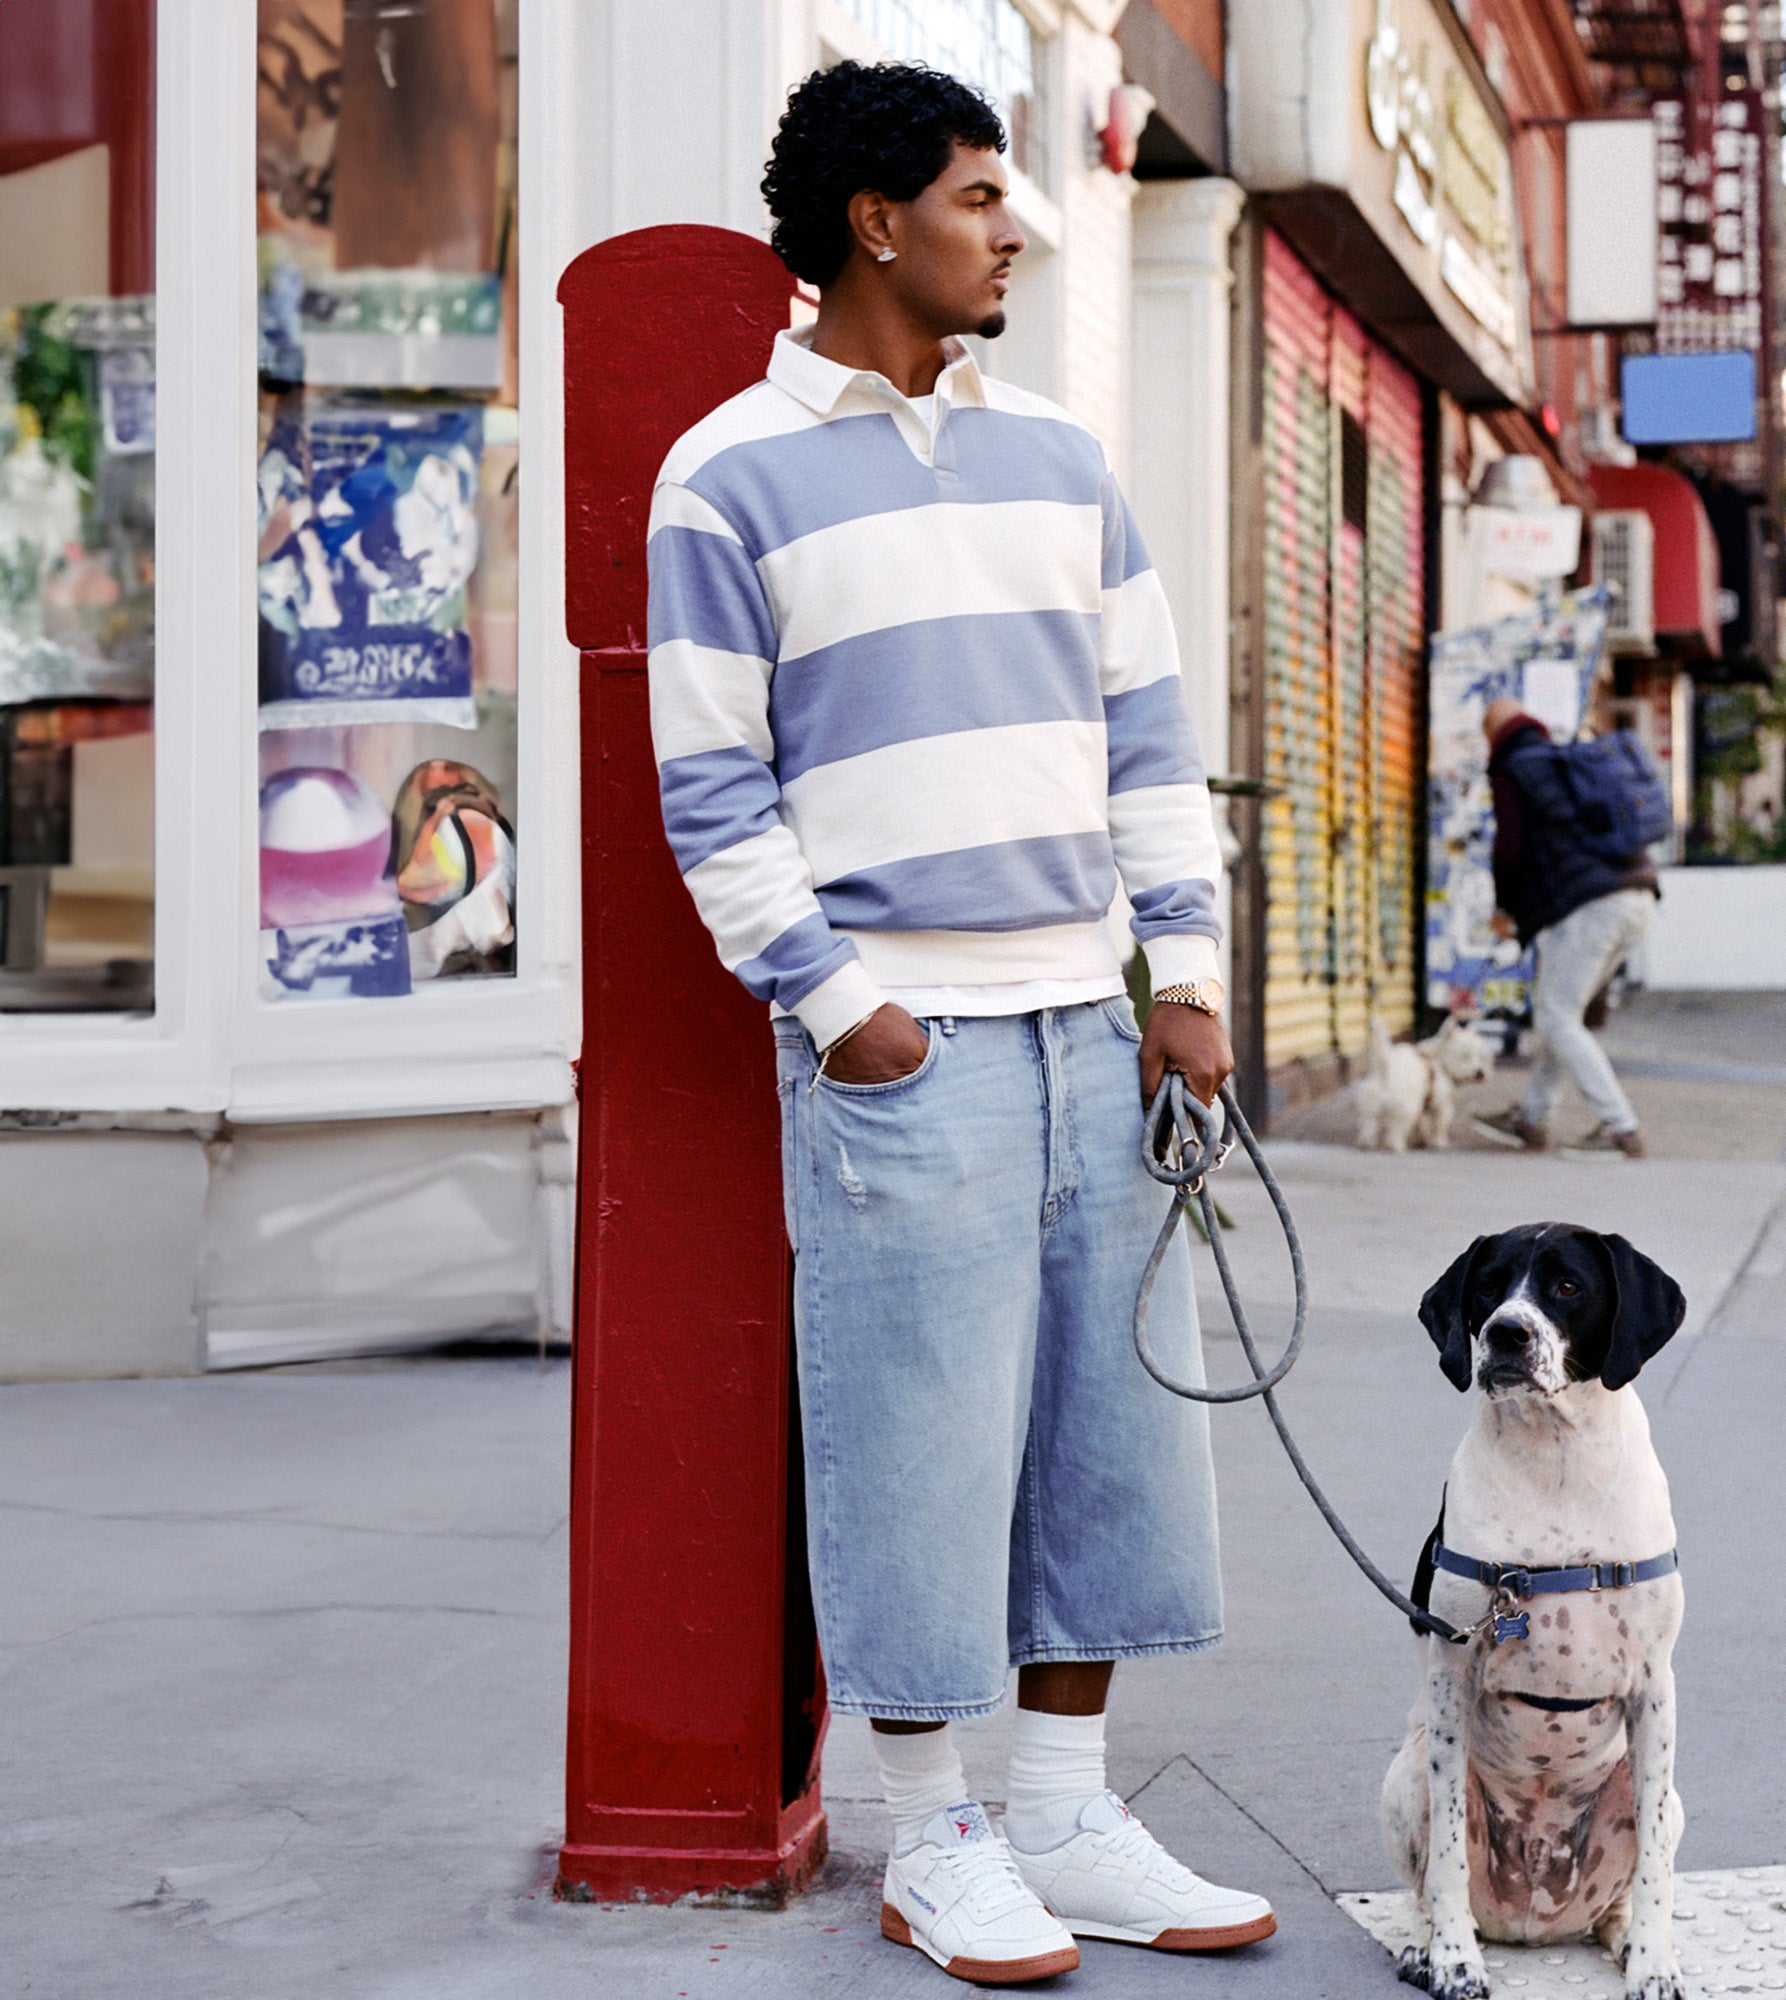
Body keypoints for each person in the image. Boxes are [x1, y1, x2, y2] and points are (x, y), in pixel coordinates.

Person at [645, 61, 1274, 1986]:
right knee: (916, 1435)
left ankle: (1069, 1808)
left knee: (1116, 1421)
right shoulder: (724, 471)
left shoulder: (1065, 461)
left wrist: (1182, 980)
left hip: (1092, 1022)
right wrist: (847, 1014)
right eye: (983, 197)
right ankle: (938, 1837)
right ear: (874, 220)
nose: (1012, 229)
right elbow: (714, 790)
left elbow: (1153, 744)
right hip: (901, 1047)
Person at [1469, 698, 1659, 1158]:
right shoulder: (1560, 762)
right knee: (1561, 1014)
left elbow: (1509, 851)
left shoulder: (1516, 768)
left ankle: (1621, 1129)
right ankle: (1532, 1119)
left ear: (1493, 733)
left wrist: (1504, 908)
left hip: (1592, 907)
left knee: (1556, 1016)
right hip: (1637, 896)